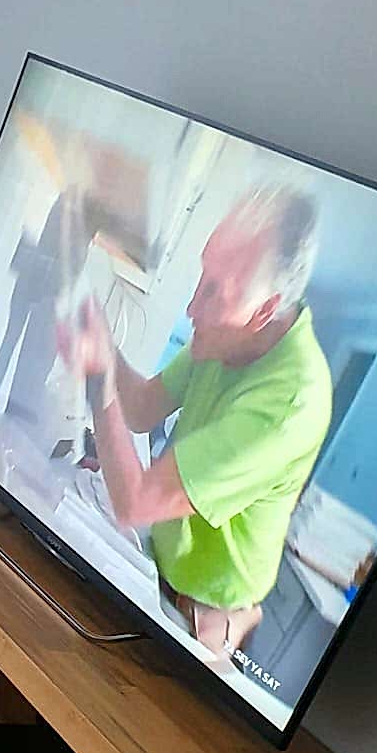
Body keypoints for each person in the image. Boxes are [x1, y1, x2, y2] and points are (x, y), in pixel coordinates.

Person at [59, 187, 332, 658]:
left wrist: (98, 378)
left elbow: (137, 502)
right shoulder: (234, 332)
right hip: (164, 562)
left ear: (264, 310)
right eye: (202, 275)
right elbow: (141, 408)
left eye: (213, 291)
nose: (191, 309)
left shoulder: (289, 402)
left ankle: (243, 622)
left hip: (200, 616)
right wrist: (100, 335)